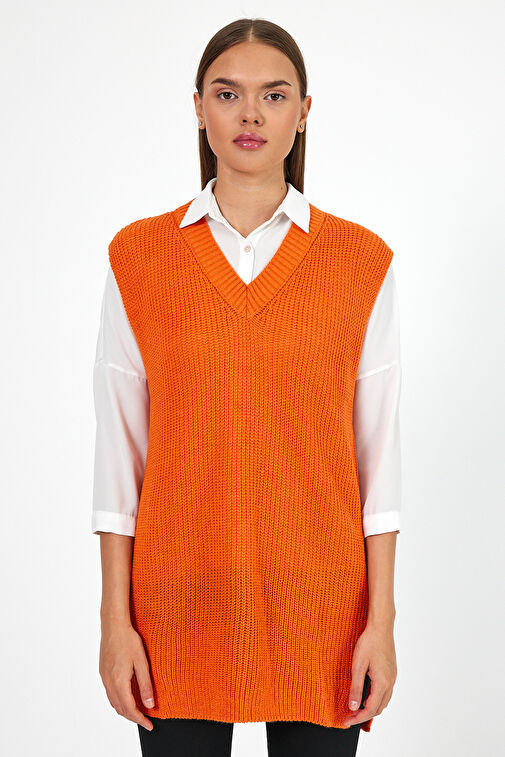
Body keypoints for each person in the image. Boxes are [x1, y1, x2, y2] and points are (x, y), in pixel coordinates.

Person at [92, 17, 401, 757]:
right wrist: (113, 621)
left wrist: (381, 622)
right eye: (228, 94)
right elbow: (119, 458)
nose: (251, 114)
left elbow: (378, 460)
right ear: (199, 108)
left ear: (304, 112)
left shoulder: (361, 261)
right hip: (176, 602)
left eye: (274, 94)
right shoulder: (139, 257)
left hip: (321, 606)